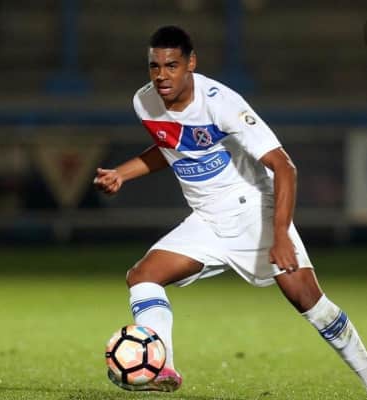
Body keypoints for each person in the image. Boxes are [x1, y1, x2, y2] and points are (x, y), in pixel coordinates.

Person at [94, 25, 367, 393]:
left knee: (309, 301)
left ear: (191, 63)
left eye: (172, 65)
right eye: (154, 66)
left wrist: (281, 234)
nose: (161, 75)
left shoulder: (222, 103)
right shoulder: (144, 101)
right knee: (143, 277)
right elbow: (172, 146)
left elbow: (284, 166)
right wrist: (122, 174)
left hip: (252, 210)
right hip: (207, 219)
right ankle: (162, 368)